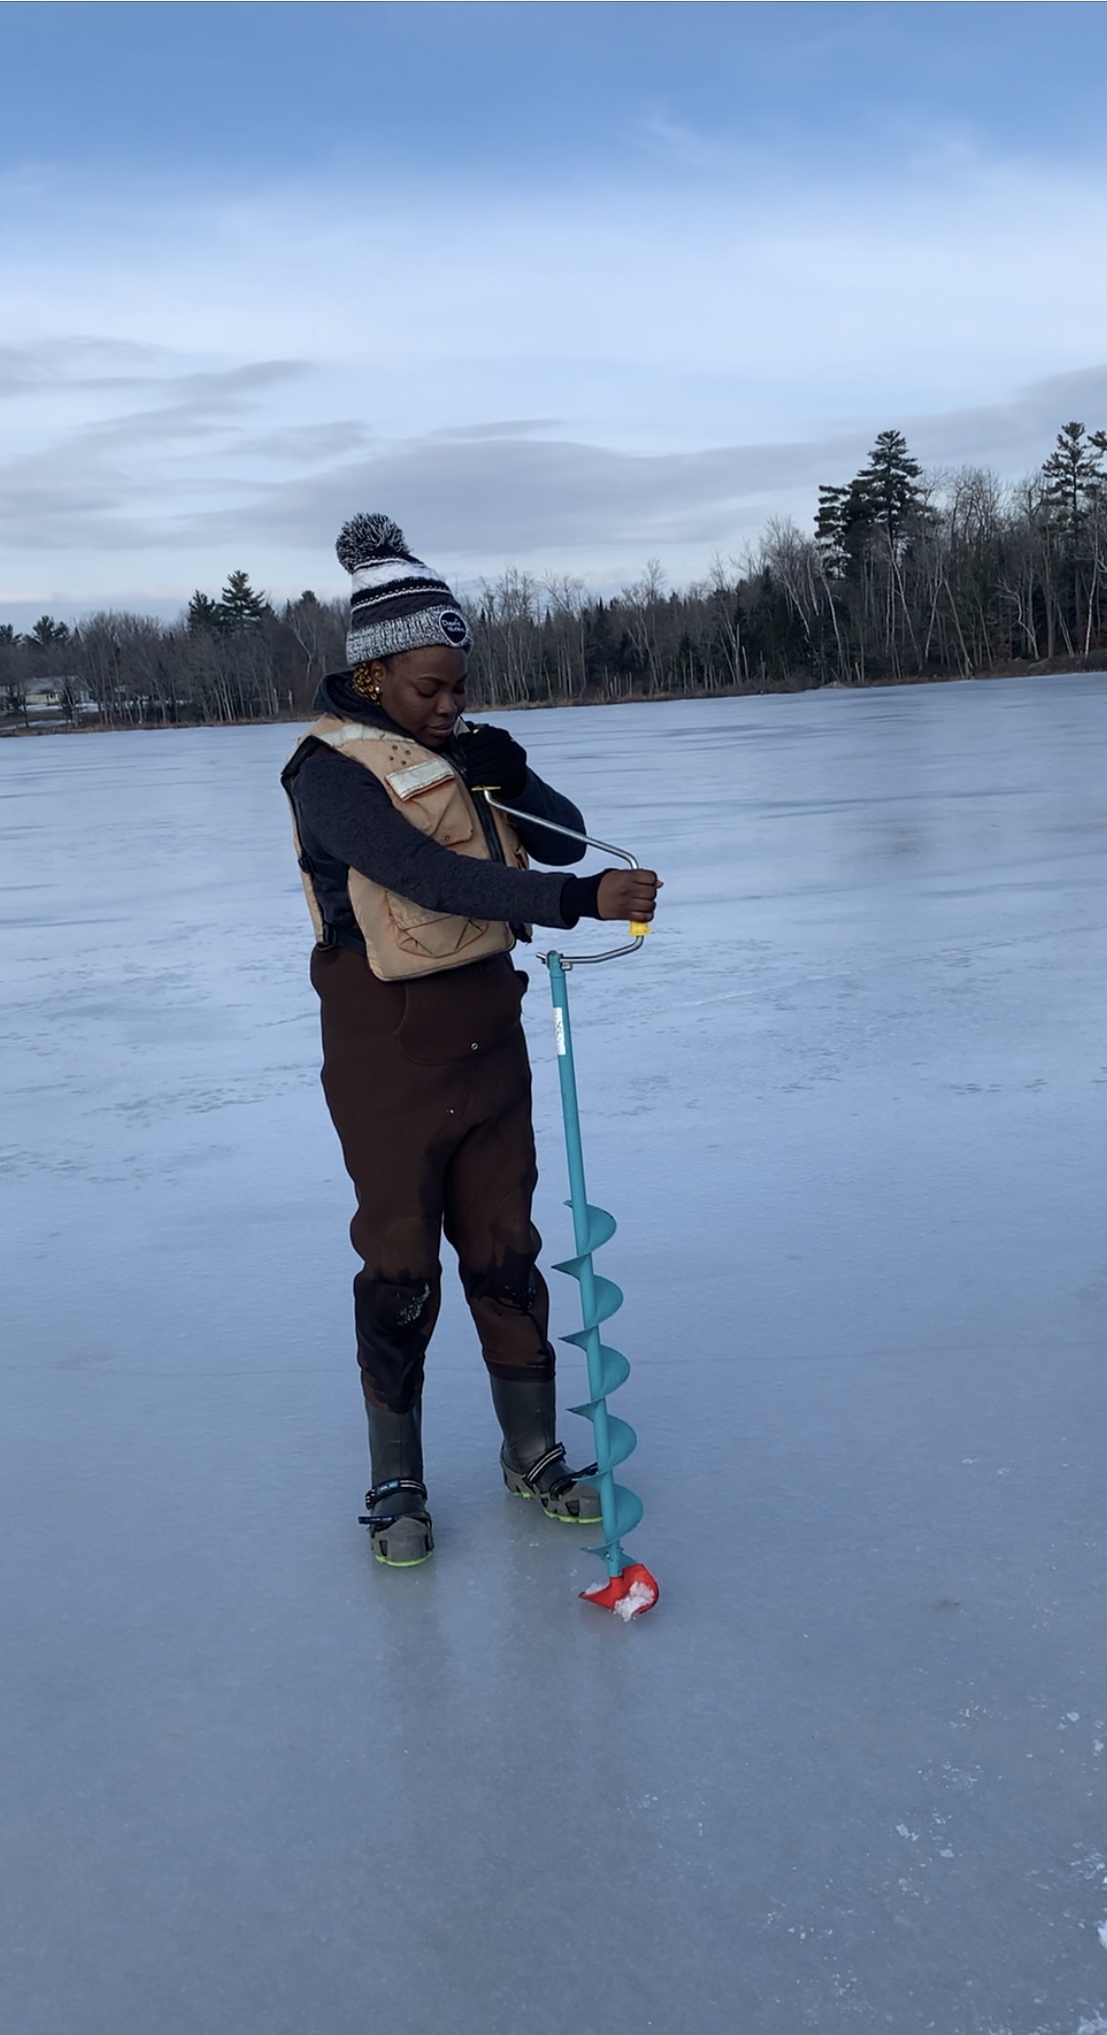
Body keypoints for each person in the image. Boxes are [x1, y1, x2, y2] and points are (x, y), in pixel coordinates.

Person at [282, 513, 661, 1568]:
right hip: (386, 1041)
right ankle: (395, 1476)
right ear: (369, 680)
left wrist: (517, 776)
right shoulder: (329, 772)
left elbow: (557, 826)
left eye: (459, 686)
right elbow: (429, 877)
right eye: (428, 689)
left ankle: (532, 1451)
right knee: (401, 1263)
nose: (450, 706)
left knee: (505, 1248)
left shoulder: (463, 750)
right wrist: (574, 899)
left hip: (487, 1032)